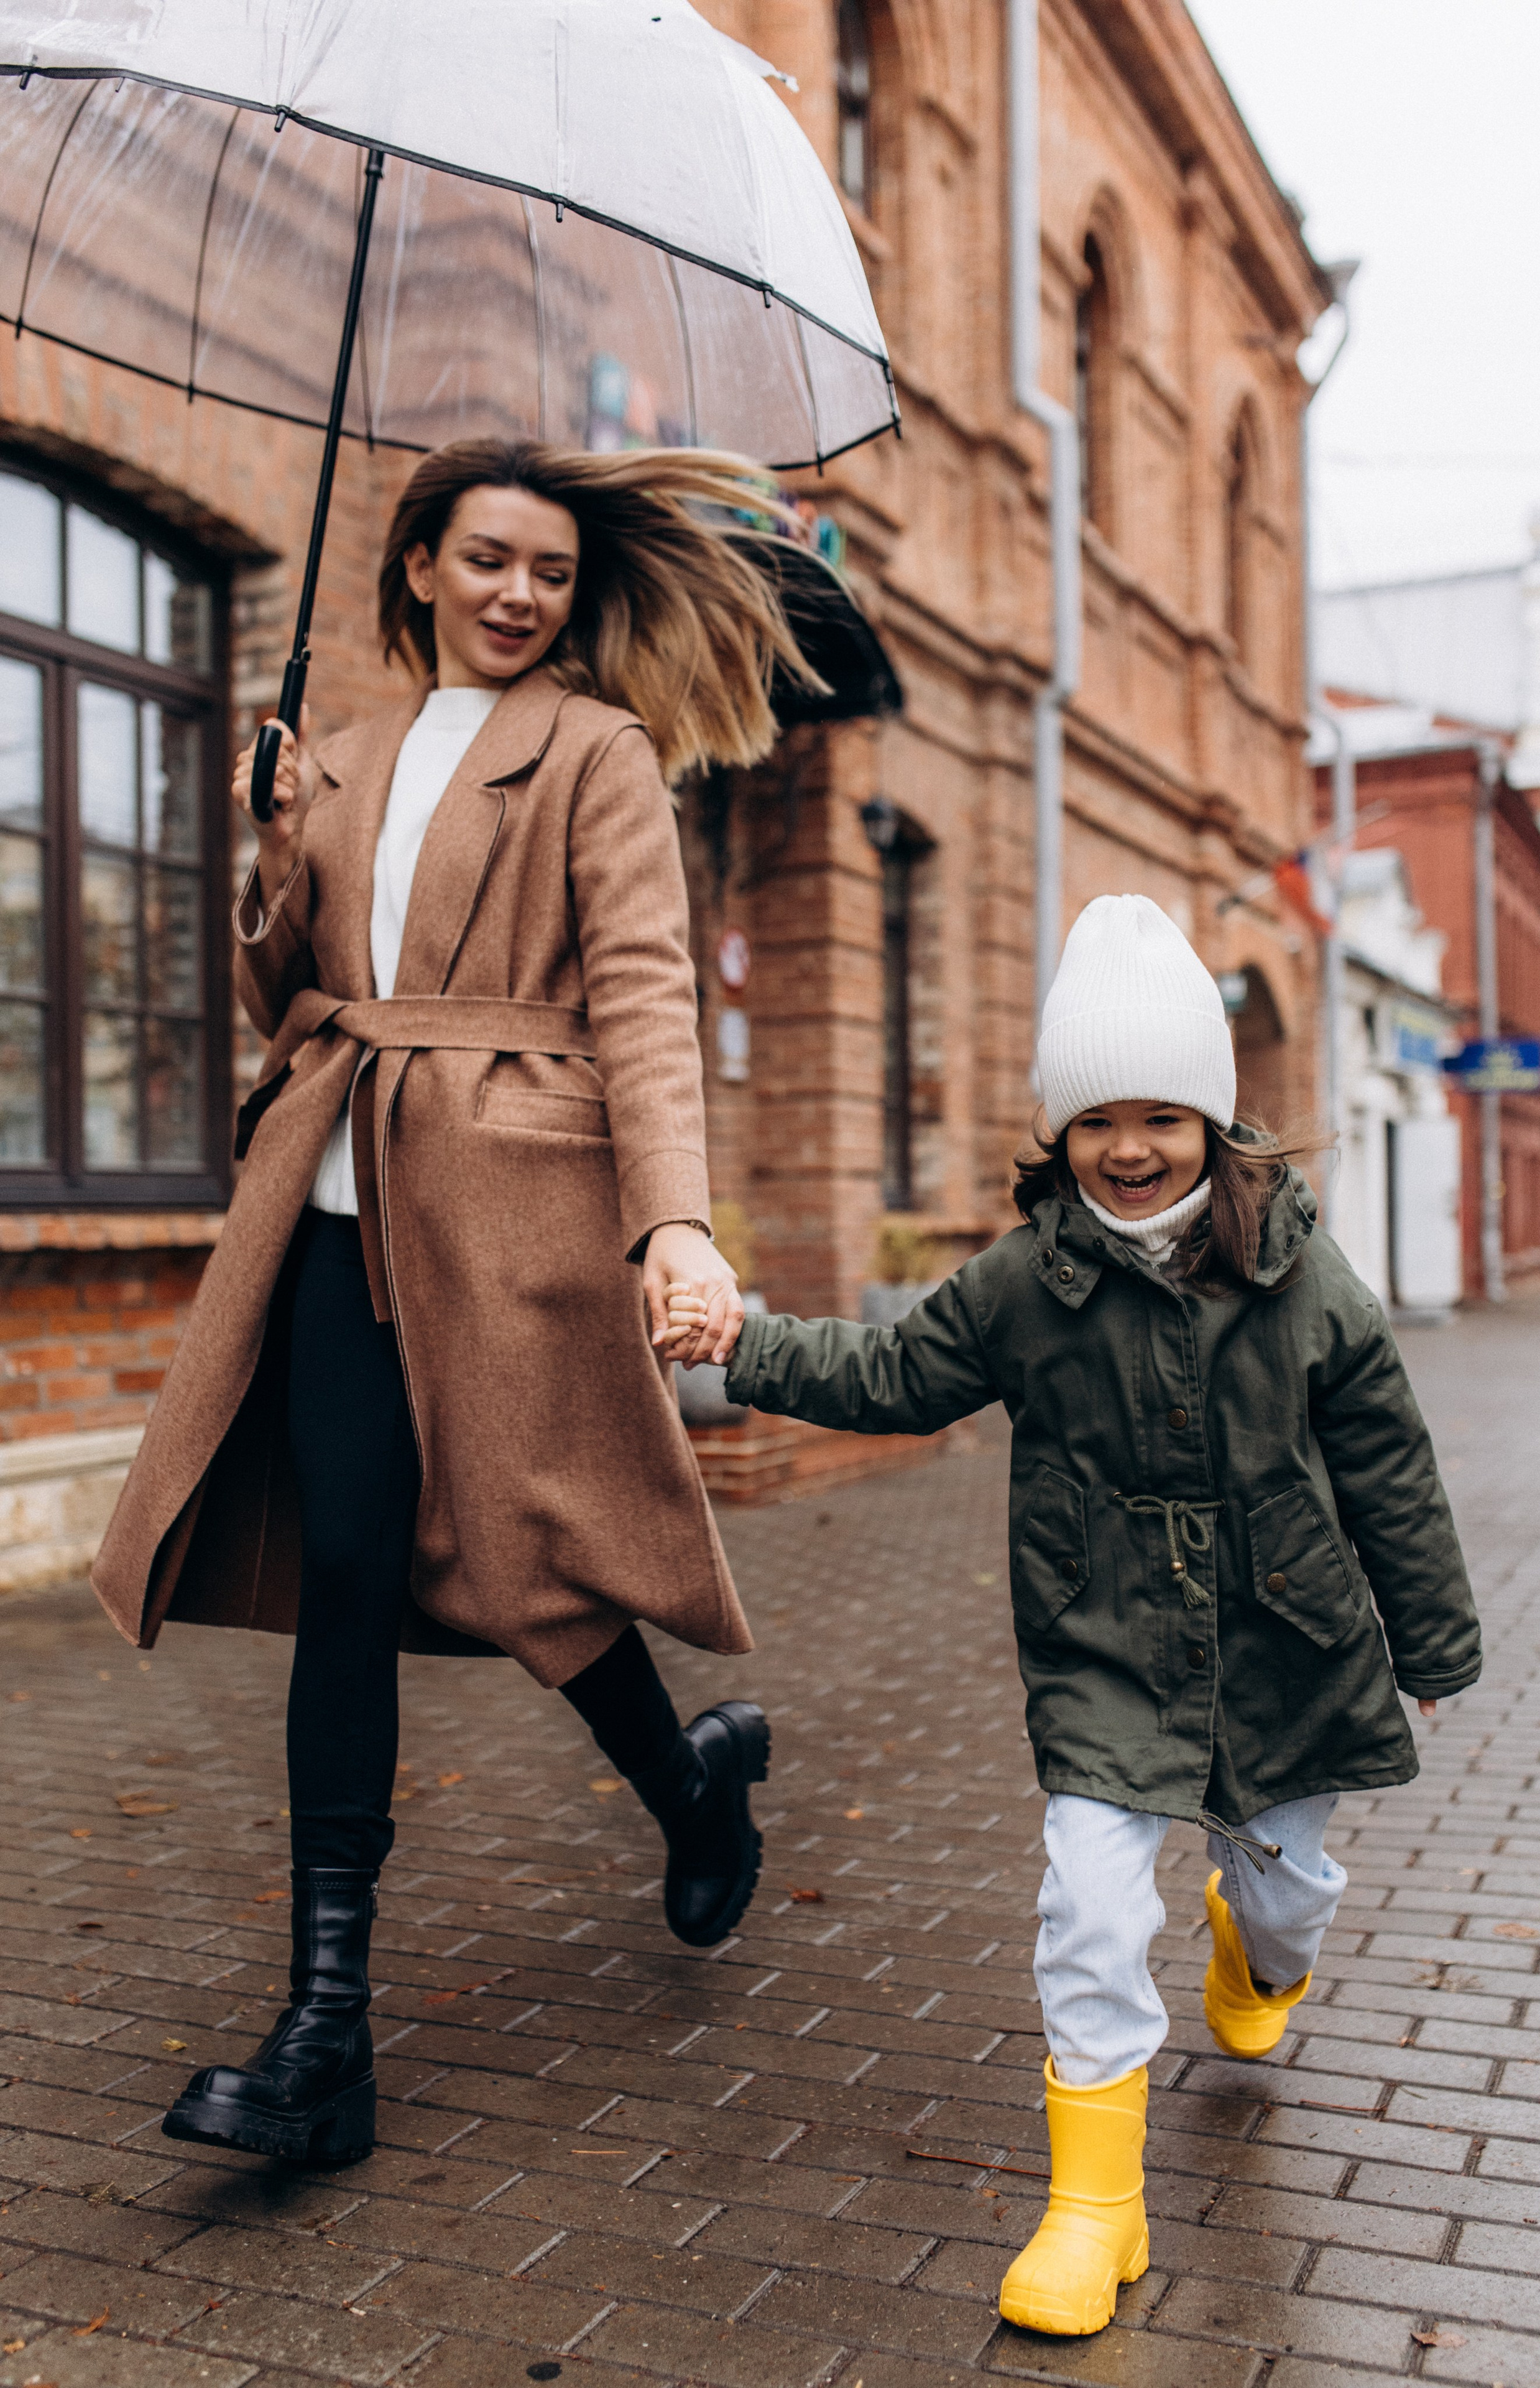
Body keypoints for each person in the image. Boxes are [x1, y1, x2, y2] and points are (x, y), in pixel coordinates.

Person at [91, 438, 814, 2170]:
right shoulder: (338, 751)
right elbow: (286, 997)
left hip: (511, 1215)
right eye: (487, 559)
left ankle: (690, 1788)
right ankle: (323, 2029)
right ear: (417, 562)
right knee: (350, 1571)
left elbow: (642, 996)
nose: (518, 595)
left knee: (525, 1558)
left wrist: (674, 1223)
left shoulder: (595, 751)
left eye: (549, 572)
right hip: (335, 1210)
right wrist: (276, 847)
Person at [665, 893, 1482, 2339]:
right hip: (1103, 1645)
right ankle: (1094, 2207)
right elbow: (890, 1376)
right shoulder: (1021, 1286)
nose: (1128, 1146)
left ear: (1210, 1120)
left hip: (1286, 1645)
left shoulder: (1296, 1270)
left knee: (1285, 1895)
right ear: (1058, 1132)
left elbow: (1385, 1462)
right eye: (1095, 1118)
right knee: (1088, 1913)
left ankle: (1253, 1947)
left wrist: (1430, 1638)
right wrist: (746, 1343)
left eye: (1160, 1114)